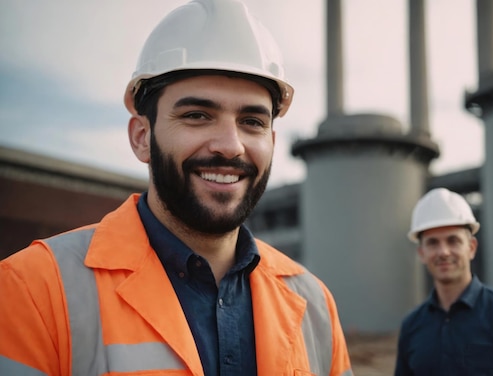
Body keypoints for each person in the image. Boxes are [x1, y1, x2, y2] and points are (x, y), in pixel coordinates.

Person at [0, 1, 353, 375]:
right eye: (197, 115)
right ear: (141, 137)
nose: (230, 145)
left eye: (251, 121)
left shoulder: (314, 304)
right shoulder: (32, 290)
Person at [394, 188, 493, 375]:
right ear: (421, 253)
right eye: (433, 243)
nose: (443, 252)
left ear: (471, 247)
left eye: (453, 241)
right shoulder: (412, 326)